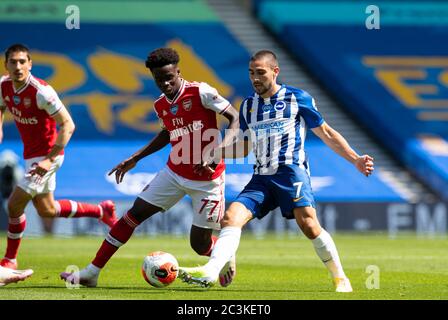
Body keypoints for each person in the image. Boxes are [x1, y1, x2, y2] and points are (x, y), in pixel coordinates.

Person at [178, 50, 374, 292]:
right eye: (251, 73)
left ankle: (340, 278)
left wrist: (354, 159)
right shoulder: (248, 106)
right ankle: (211, 271)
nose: (255, 78)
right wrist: (215, 153)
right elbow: (245, 148)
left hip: (291, 172)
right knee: (231, 218)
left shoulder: (297, 98)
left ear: (275, 71)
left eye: (260, 72)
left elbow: (327, 133)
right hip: (261, 177)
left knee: (309, 225)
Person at [60, 47, 240, 287]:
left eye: (169, 77)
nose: (165, 83)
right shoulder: (160, 105)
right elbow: (168, 133)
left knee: (199, 245)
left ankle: (223, 253)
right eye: (159, 79)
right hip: (174, 172)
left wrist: (217, 153)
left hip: (208, 180)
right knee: (133, 215)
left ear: (178, 72)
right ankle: (92, 272)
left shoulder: (201, 92)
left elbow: (235, 118)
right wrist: (136, 157)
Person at [0, 44, 118, 275]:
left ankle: (10, 260)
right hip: (31, 156)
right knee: (47, 209)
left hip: (49, 156)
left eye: (22, 62)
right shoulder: (3, 86)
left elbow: (68, 124)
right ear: (6, 65)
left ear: (30, 64)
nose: (18, 66)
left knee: (14, 205)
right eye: (13, 62)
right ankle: (101, 212)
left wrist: (48, 160)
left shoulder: (41, 91)